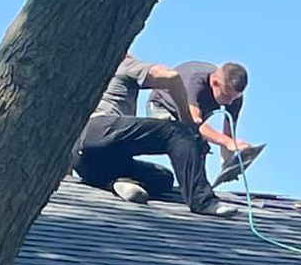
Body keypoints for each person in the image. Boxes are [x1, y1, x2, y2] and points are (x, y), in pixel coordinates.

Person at [71, 56, 237, 217]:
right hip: (101, 127)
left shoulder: (83, 72)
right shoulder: (123, 63)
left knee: (162, 178)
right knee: (178, 132)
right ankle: (203, 201)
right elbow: (171, 77)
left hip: (83, 160)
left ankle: (118, 183)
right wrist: (186, 120)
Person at [148, 60, 259, 184]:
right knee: (184, 140)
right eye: (226, 96)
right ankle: (189, 186)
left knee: (201, 145)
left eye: (235, 98)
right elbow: (194, 123)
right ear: (215, 83)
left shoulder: (234, 96)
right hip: (163, 106)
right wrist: (227, 142)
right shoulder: (194, 83)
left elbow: (228, 134)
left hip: (192, 116)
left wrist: (228, 164)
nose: (230, 102)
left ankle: (197, 186)